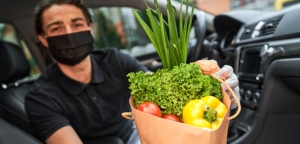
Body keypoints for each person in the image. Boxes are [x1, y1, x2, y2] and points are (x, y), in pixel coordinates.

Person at [25, 0, 240, 144]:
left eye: (77, 24)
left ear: (90, 28)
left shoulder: (115, 60)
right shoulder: (40, 98)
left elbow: (160, 94)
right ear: (44, 39)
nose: (69, 34)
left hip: (140, 135)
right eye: (56, 28)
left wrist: (218, 94)